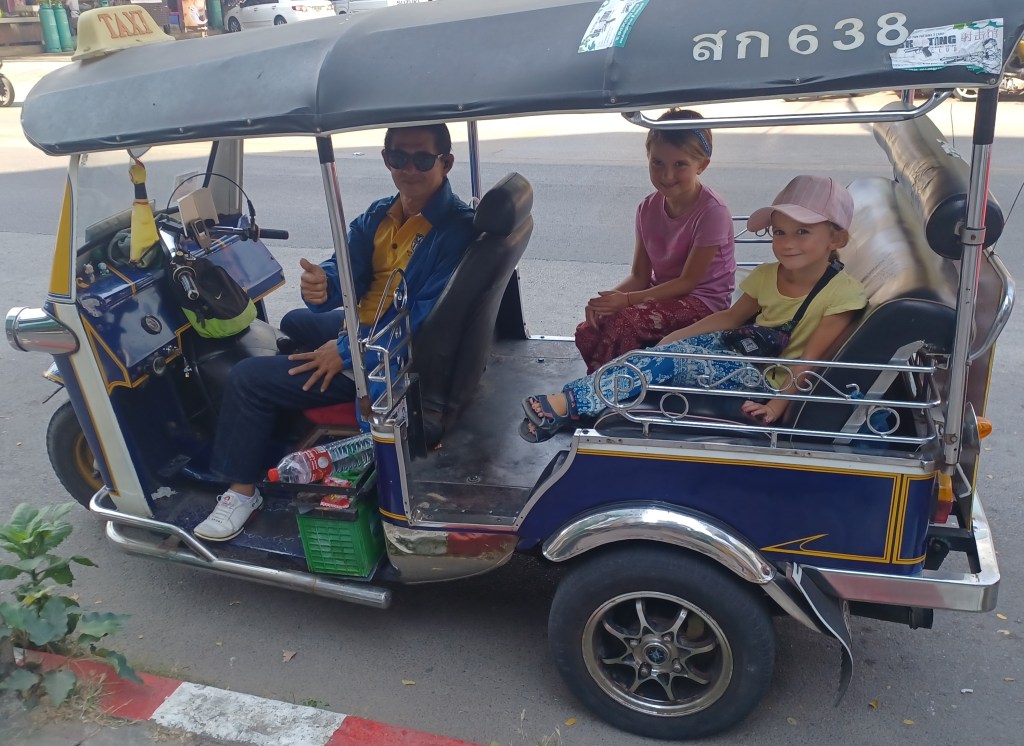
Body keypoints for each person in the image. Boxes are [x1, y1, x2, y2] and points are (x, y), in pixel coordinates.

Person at [194, 124, 475, 541]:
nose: (408, 169)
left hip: (391, 360)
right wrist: (322, 285)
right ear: (385, 159)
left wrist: (344, 352)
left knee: (247, 380)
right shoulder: (381, 215)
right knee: (293, 322)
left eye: (421, 159)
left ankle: (241, 490)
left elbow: (421, 320)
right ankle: (288, 407)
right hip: (368, 327)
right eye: (398, 158)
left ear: (446, 163)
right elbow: (344, 268)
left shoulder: (455, 230)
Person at [520, 175, 867, 442]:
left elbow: (811, 361)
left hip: (765, 382)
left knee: (659, 363)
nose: (787, 244)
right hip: (738, 351)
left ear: (836, 240)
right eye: (779, 232)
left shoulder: (841, 295)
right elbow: (730, 317)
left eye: (802, 231)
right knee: (650, 357)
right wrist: (673, 338)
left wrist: (776, 405)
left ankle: (569, 404)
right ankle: (585, 406)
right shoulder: (766, 275)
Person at [574, 109, 735, 374]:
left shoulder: (712, 212)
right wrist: (606, 301)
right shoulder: (647, 208)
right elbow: (639, 275)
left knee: (623, 323)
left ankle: (604, 394)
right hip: (660, 293)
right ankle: (619, 388)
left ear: (702, 165)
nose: (666, 175)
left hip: (704, 303)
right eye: (657, 163)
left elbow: (688, 283)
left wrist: (625, 301)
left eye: (679, 165)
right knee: (589, 329)